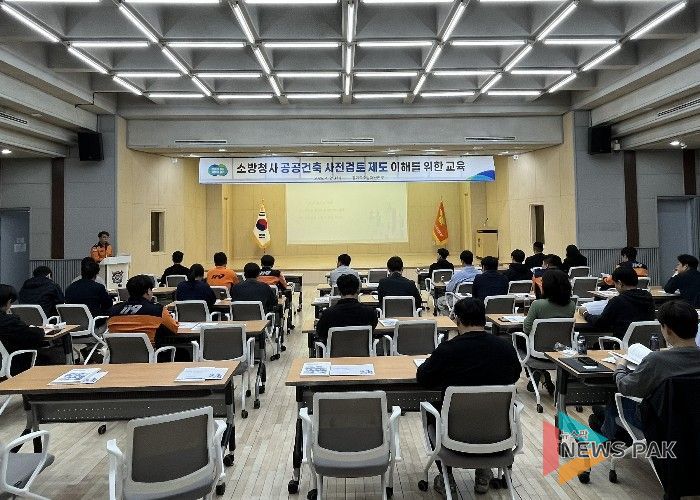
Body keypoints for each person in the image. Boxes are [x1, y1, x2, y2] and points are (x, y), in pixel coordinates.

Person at [417, 298, 521, 496]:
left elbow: (424, 378)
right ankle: (483, 471)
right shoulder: (505, 348)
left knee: (432, 412)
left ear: (457, 319)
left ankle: (446, 477)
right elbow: (514, 376)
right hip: (497, 433)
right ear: (484, 319)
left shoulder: (448, 350)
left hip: (455, 434)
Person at [591, 301, 700, 441]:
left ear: (667, 329)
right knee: (607, 411)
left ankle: (611, 436)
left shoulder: (657, 360)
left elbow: (625, 387)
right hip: (692, 423)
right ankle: (610, 425)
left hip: (662, 425)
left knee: (614, 401)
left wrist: (620, 367)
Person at [522, 269, 576, 394]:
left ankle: (536, 372)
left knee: (518, 340)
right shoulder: (571, 305)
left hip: (538, 351)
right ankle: (540, 374)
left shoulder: (537, 305)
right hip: (561, 350)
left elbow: (526, 328)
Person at [0, 284, 64, 373]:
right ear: (8, 302)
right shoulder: (9, 321)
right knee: (56, 355)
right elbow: (36, 335)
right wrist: (40, 330)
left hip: (3, 361)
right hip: (13, 364)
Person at [579, 266, 655, 340]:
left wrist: (585, 313)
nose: (615, 287)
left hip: (622, 344)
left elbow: (600, 323)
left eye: (615, 284)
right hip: (646, 343)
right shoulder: (648, 297)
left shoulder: (618, 301)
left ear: (620, 283)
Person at [107, 274, 180, 347]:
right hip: (150, 352)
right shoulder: (158, 310)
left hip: (119, 352)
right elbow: (174, 328)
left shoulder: (113, 310)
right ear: (148, 291)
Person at [315, 274, 378, 345]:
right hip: (362, 351)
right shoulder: (370, 312)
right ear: (358, 290)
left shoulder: (328, 313)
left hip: (336, 351)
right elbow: (372, 328)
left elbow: (320, 333)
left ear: (339, 291)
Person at [65, 258, 112, 327]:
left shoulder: (69, 288)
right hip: (94, 324)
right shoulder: (99, 287)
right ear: (95, 274)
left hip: (73, 325)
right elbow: (108, 305)